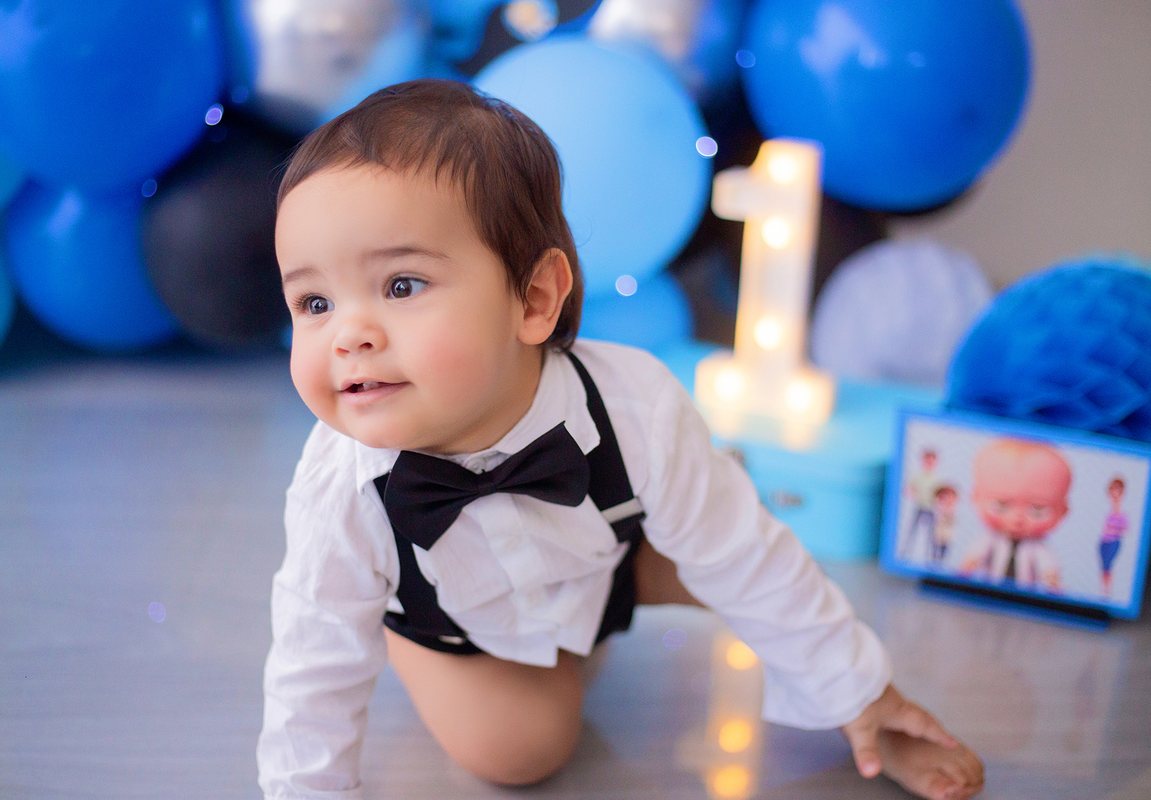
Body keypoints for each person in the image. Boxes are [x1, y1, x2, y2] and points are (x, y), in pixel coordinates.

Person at [256, 78, 983, 800]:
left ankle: (855, 709)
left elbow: (750, 557)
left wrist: (859, 694)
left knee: (732, 546)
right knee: (522, 750)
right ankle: (410, 636)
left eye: (401, 286)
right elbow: (311, 667)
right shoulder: (343, 486)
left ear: (534, 298)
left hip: (600, 567)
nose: (348, 335)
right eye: (314, 302)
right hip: (455, 620)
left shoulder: (634, 407)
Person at [959, 439, 1071, 591]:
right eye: (1002, 505)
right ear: (976, 498)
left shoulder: (1038, 547)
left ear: (1062, 511)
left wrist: (1052, 581)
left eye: (1038, 509)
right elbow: (974, 557)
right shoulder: (990, 539)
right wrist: (967, 568)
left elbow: (1048, 568)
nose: (1017, 518)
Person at [903, 450, 941, 561]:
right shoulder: (917, 477)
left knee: (932, 535)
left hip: (931, 509)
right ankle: (906, 553)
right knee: (912, 530)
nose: (929, 463)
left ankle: (931, 558)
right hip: (919, 507)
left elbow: (939, 495)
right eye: (927, 460)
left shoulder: (936, 479)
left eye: (932, 461)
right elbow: (908, 489)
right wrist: (912, 494)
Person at [1099, 477, 1128, 597]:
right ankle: (1103, 591)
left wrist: (1114, 528)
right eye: (1113, 489)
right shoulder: (1105, 508)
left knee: (1108, 566)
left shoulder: (1123, 512)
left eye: (1118, 489)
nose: (1115, 492)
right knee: (1103, 567)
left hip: (1113, 542)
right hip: (1104, 541)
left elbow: (1125, 529)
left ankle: (1107, 591)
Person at [931, 485, 959, 564]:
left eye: (950, 495)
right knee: (936, 543)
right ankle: (934, 560)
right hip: (939, 529)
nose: (947, 498)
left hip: (947, 531)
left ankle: (941, 560)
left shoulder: (953, 508)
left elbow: (953, 520)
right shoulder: (939, 506)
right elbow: (938, 516)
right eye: (945, 495)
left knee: (945, 545)